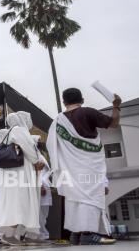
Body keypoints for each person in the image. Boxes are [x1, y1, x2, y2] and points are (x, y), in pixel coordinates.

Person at [47, 88, 121, 245]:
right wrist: (116, 106)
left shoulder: (57, 121)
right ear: (82, 99)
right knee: (90, 197)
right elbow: (114, 123)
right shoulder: (88, 112)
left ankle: (77, 234)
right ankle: (88, 234)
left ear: (64, 102)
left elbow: (52, 147)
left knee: (75, 199)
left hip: (70, 168)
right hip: (89, 166)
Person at [0, 112, 46, 246]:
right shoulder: (19, 131)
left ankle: (27, 235)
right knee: (19, 202)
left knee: (20, 203)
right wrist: (36, 162)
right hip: (20, 173)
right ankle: (8, 236)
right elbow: (28, 148)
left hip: (14, 174)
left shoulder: (10, 132)